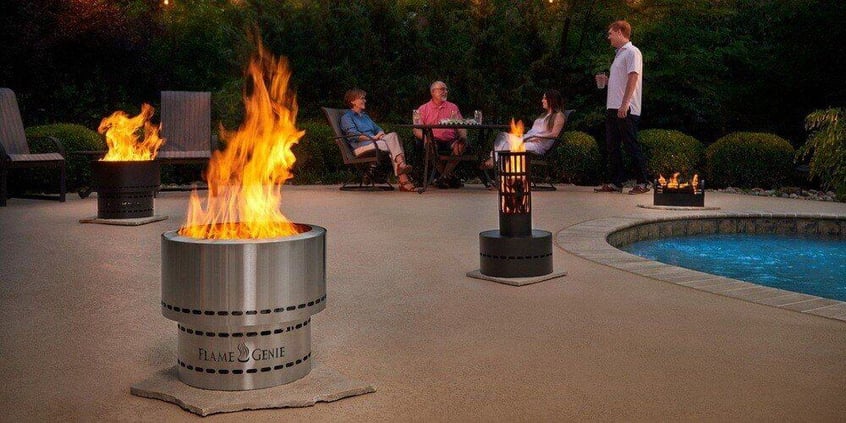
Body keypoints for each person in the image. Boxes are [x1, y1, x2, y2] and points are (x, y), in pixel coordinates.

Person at [594, 20, 650, 195]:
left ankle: (643, 183)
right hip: (613, 107)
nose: (608, 36)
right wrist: (607, 82)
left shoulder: (633, 52)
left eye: (610, 33)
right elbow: (621, 81)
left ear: (620, 32)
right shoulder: (619, 54)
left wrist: (625, 104)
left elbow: (633, 77)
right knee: (613, 146)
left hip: (626, 108)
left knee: (631, 145)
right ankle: (616, 183)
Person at [340, 88, 415, 192]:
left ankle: (402, 170)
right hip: (361, 147)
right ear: (352, 101)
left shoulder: (365, 117)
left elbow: (378, 129)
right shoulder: (346, 117)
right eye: (362, 98)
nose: (365, 100)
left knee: (393, 136)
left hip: (375, 143)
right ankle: (403, 175)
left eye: (364, 98)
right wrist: (374, 137)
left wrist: (380, 134)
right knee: (393, 141)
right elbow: (353, 135)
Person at [481, 89, 567, 169]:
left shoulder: (558, 116)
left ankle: (502, 173)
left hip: (537, 145)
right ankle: (494, 159)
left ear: (552, 100)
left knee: (509, 145)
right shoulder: (544, 115)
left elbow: (554, 134)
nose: (542, 101)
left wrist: (536, 136)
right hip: (528, 138)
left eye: (545, 98)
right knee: (502, 136)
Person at [413, 80, 468, 188]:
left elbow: (461, 125)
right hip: (433, 139)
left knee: (461, 144)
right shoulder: (423, 109)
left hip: (450, 139)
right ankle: (447, 176)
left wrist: (463, 136)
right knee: (430, 146)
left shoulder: (453, 107)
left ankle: (442, 177)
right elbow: (416, 129)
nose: (445, 92)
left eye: (446, 89)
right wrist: (425, 139)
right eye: (442, 89)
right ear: (433, 92)